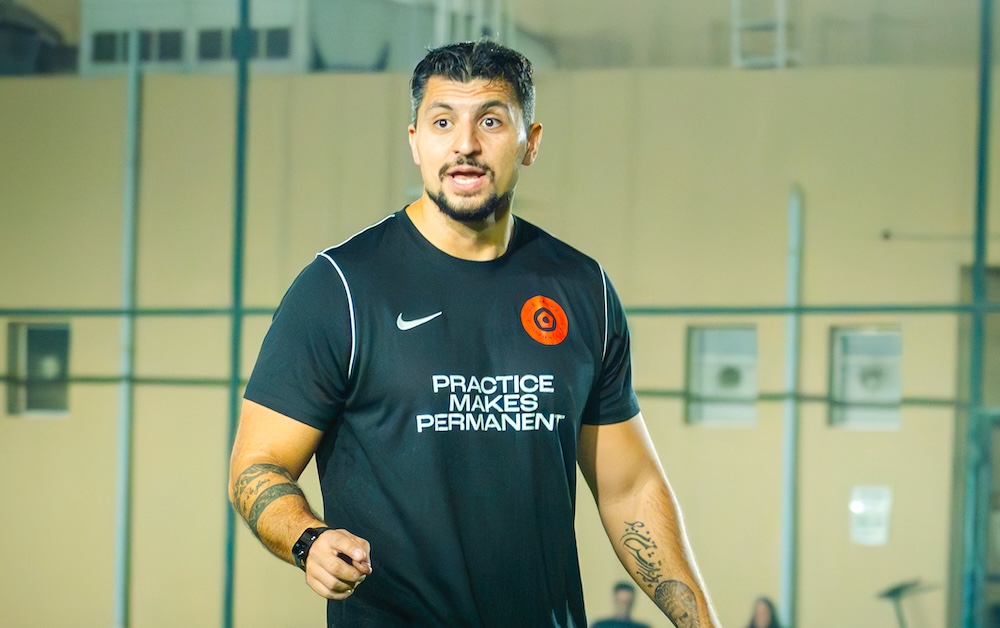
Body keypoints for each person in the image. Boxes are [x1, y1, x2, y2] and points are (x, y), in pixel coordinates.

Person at [228, 39, 719, 627]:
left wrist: (703, 622)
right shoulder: (341, 290)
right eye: (442, 122)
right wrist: (308, 539)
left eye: (490, 120)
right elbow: (256, 466)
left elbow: (629, 489)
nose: (465, 144)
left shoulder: (583, 289)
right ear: (414, 141)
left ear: (529, 142)